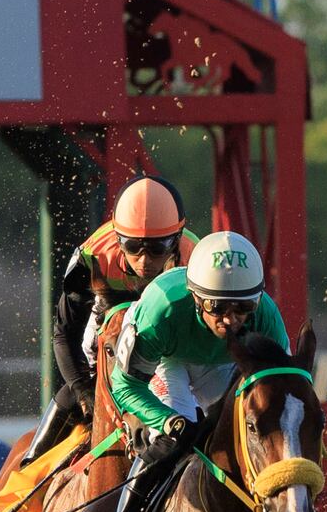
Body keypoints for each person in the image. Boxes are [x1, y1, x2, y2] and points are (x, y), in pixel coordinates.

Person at [83, 230, 291, 512]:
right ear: (196, 297)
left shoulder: (265, 315)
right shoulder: (161, 307)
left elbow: (279, 389)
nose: (231, 320)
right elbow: (124, 385)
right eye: (218, 307)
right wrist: (166, 421)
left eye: (243, 307)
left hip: (223, 366)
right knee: (177, 439)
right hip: (168, 361)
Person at [19, 178, 198, 467]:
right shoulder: (91, 257)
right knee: (80, 385)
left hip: (168, 341)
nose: (144, 261)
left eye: (157, 248)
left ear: (177, 238)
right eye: (133, 246)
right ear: (117, 236)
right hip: (109, 317)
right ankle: (30, 470)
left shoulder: (198, 263)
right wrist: (83, 392)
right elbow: (64, 334)